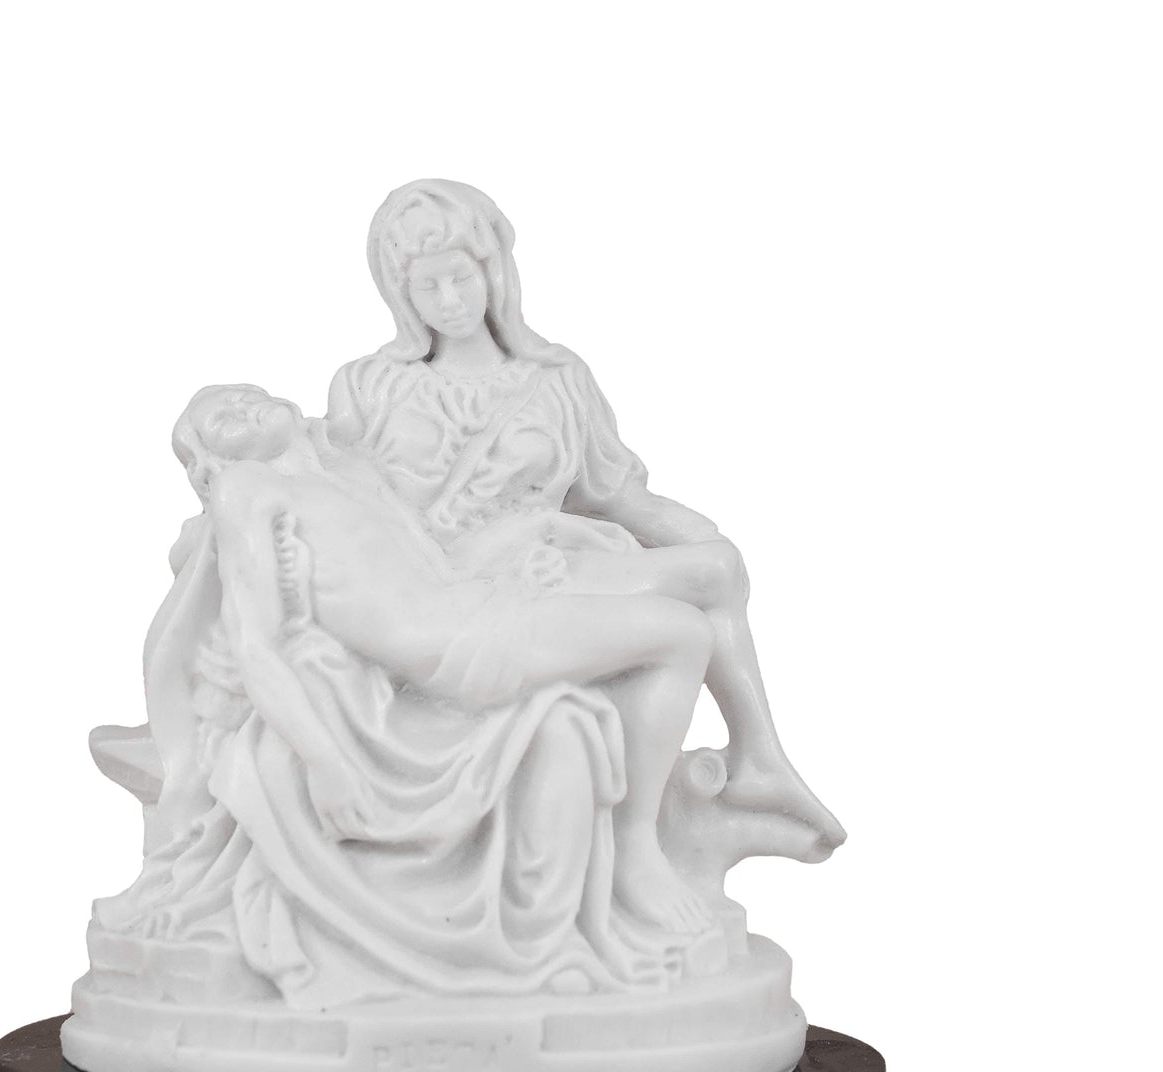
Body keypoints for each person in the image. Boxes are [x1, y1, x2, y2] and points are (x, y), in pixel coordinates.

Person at [326, 179, 844, 852]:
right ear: (399, 294)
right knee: (689, 617)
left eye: (461, 277)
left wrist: (695, 529)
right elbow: (344, 508)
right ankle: (661, 825)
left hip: (546, 566)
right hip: (446, 588)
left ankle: (759, 758)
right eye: (428, 286)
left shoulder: (555, 379)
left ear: (493, 272)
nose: (449, 300)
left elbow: (615, 492)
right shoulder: (369, 385)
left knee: (717, 564)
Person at [187, 383, 715, 934]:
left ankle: (754, 768)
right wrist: (325, 760)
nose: (241, 407)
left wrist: (532, 538)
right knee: (683, 635)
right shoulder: (246, 488)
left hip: (479, 603)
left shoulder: (346, 473)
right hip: (454, 650)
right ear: (213, 462)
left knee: (707, 579)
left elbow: (438, 566)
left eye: (239, 395)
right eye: (223, 420)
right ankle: (637, 848)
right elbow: (256, 642)